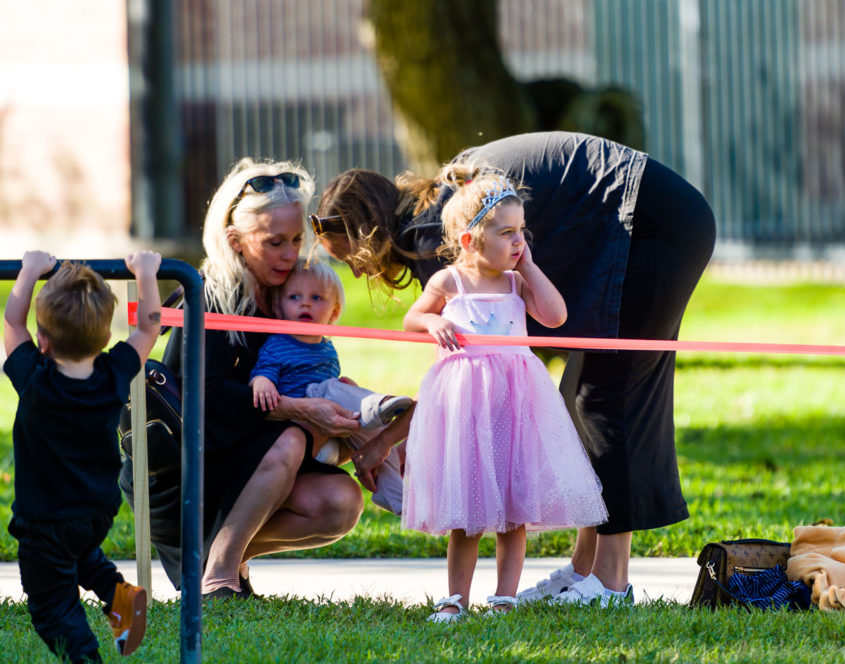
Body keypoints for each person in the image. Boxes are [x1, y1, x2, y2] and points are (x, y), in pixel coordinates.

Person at [313, 131, 716, 607]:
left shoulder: (430, 235)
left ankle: (609, 583)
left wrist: (381, 443)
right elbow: (461, 379)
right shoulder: (442, 207)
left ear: (368, 234)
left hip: (652, 221)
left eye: (351, 259)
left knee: (607, 395)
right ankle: (584, 570)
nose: (359, 274)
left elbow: (454, 379)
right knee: (579, 396)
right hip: (647, 216)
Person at [119, 158, 410, 599]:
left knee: (342, 504)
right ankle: (218, 572)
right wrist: (300, 409)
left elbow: (299, 370)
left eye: (296, 239)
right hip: (185, 470)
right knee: (294, 436)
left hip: (247, 458)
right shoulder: (212, 293)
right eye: (274, 242)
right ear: (235, 241)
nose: (290, 253)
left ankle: (217, 552)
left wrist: (340, 401)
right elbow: (206, 396)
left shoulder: (287, 290)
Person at [401, 168, 608, 621]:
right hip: (467, 407)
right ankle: (457, 597)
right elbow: (411, 320)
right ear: (472, 241)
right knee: (469, 511)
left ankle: (505, 596)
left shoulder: (517, 283)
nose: (519, 242)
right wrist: (434, 322)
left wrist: (530, 267)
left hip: (516, 405)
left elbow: (555, 317)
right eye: (507, 233)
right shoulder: (450, 283)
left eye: (522, 232)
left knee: (515, 507)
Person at [3, 250, 162, 664]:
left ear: (45, 342)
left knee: (50, 604)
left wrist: (29, 271)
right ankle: (121, 599)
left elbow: (10, 321)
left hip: (46, 521)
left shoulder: (35, 380)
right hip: (95, 511)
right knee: (81, 557)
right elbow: (149, 326)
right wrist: (146, 274)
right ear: (104, 337)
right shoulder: (113, 375)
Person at [248, 258, 412, 513]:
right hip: (297, 424)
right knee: (325, 390)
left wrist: (349, 390)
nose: (305, 303)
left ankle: (394, 495)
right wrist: (262, 382)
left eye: (316, 298)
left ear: (334, 313)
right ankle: (373, 406)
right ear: (278, 309)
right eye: (294, 297)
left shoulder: (326, 347)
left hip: (329, 437)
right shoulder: (278, 344)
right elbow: (263, 372)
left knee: (376, 439)